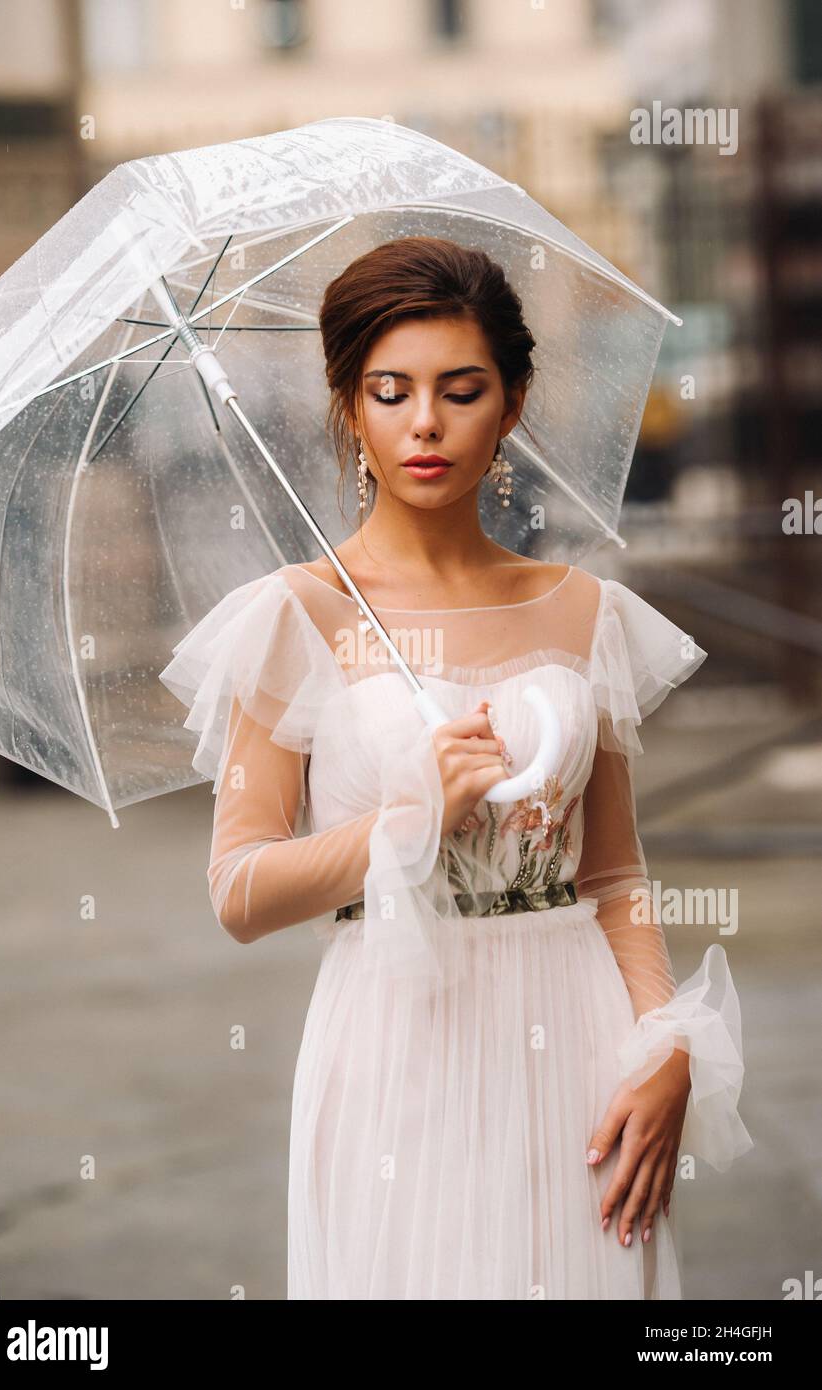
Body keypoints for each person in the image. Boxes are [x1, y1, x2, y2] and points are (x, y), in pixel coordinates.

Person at [159, 237, 752, 1300]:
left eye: (459, 389)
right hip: (395, 1050)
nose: (423, 423)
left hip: (579, 1047)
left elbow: (613, 874)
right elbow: (237, 892)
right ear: (350, 407)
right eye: (389, 391)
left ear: (511, 403)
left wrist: (666, 1045)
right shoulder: (297, 615)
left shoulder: (584, 610)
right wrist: (405, 817)